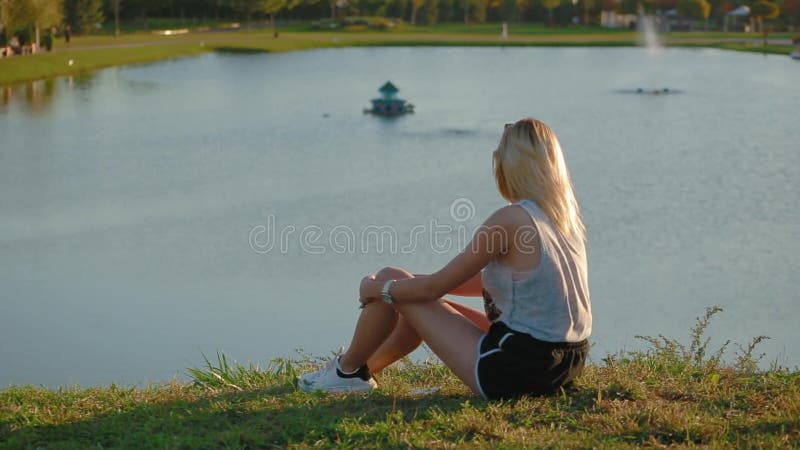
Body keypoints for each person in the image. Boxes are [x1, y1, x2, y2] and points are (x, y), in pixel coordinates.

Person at [299, 118, 592, 400]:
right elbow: (490, 282)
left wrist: (375, 289)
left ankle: (347, 370)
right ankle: (356, 372)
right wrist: (416, 285)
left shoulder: (510, 219)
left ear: (508, 166)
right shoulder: (562, 220)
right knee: (408, 288)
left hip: (514, 371)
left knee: (392, 277)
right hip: (565, 364)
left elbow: (431, 291)